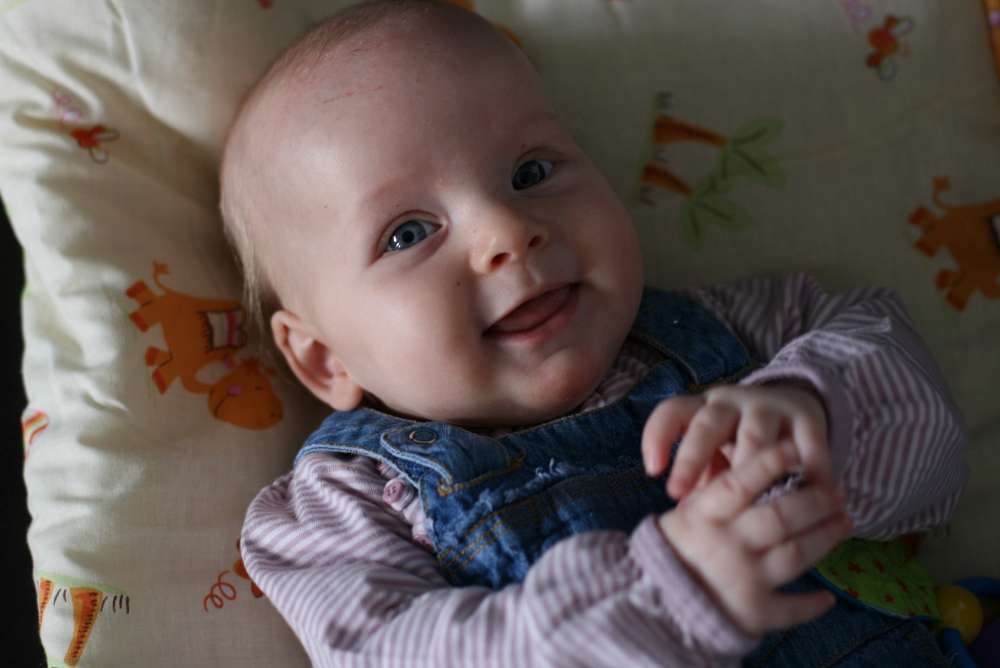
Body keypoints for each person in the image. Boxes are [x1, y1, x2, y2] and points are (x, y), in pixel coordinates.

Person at [219, 1, 967, 665]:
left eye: (530, 172)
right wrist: (662, 598)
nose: (508, 230)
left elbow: (927, 442)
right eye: (408, 232)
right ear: (324, 358)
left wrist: (815, 413)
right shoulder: (344, 506)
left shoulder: (742, 334)